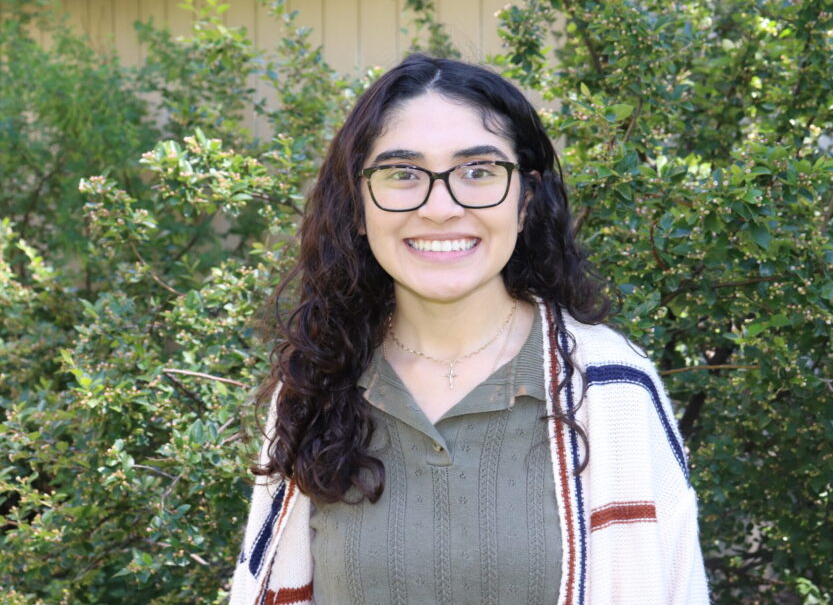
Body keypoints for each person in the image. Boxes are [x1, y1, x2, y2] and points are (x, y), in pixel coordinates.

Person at [228, 54, 709, 604]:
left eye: (477, 172)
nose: (440, 207)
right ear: (357, 207)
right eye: (402, 174)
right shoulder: (313, 387)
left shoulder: (613, 388)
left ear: (526, 200)